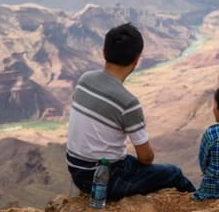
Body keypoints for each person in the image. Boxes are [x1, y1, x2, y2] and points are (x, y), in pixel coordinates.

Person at [66, 23, 195, 200]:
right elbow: (146, 158)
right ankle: (200, 203)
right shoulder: (128, 103)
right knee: (174, 173)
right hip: (104, 179)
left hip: (76, 171)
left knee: (128, 161)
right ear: (137, 60)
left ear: (104, 53)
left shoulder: (85, 79)